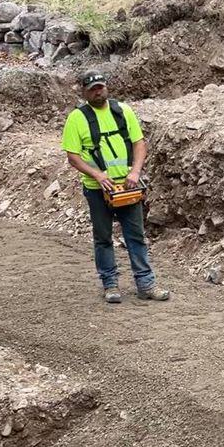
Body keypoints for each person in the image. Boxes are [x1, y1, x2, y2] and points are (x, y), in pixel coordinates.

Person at [61, 70, 169, 304]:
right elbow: (73, 156)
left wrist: (135, 171)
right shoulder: (77, 119)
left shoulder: (123, 111)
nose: (98, 91)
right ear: (84, 92)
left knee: (136, 236)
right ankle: (110, 284)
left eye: (101, 86)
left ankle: (146, 284)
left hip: (128, 187)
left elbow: (139, 143)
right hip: (97, 189)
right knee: (103, 237)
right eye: (93, 89)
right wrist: (98, 175)